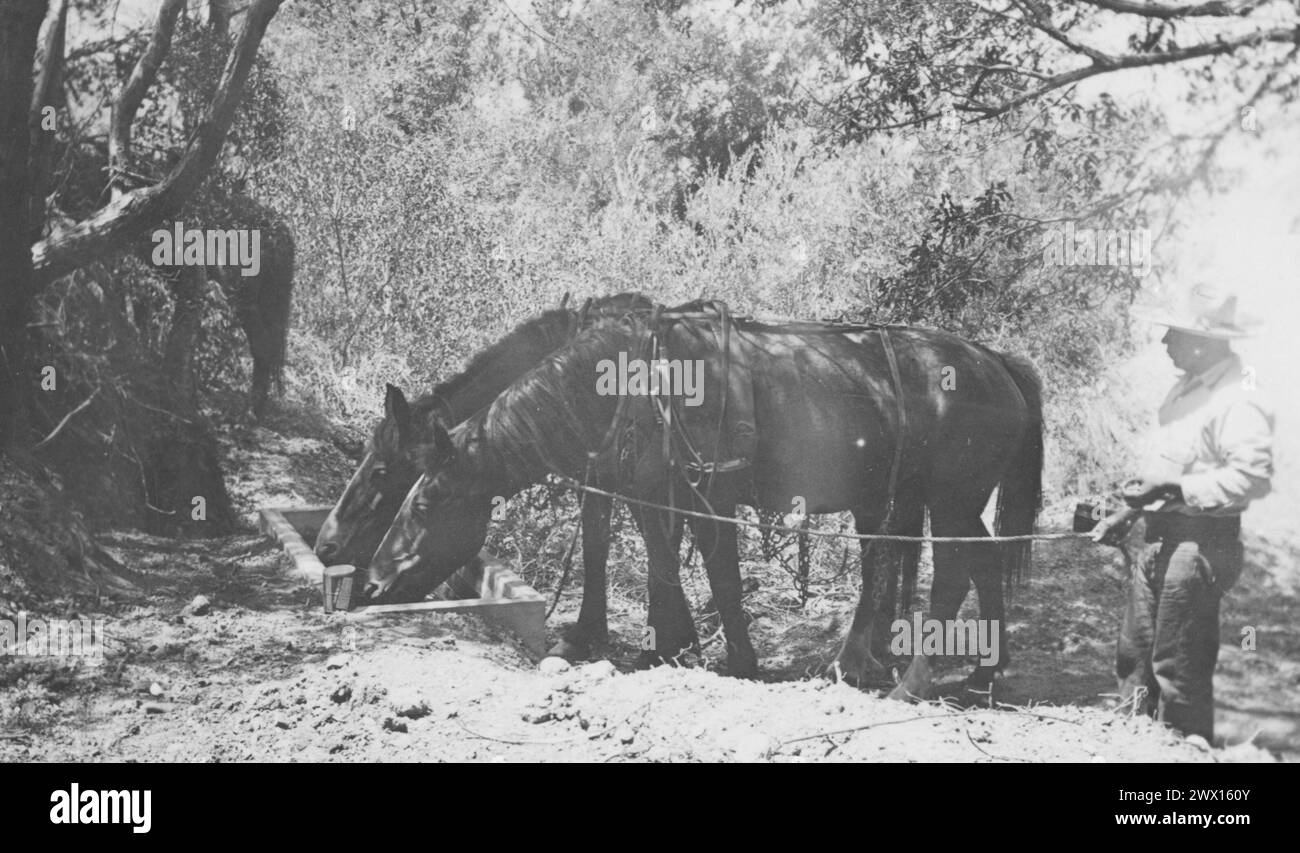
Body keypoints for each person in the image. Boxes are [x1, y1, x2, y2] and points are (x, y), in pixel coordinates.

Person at [1091, 285, 1273, 743]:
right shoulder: (1184, 391)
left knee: (1179, 671)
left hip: (1199, 547)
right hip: (1160, 539)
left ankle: (1183, 762)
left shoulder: (1239, 396)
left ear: (1203, 340)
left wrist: (1175, 489)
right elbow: (1163, 471)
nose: (1164, 343)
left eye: (1173, 333)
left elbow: (1251, 480)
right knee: (1134, 661)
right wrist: (1126, 514)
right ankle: (1131, 749)